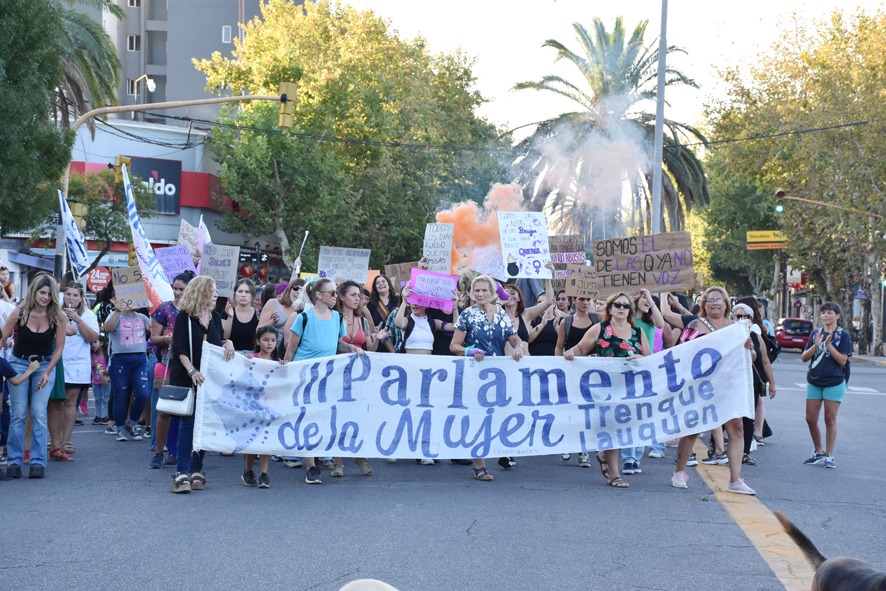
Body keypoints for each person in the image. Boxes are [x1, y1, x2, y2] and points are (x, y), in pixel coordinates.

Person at [671, 286, 757, 495]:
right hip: (702, 387)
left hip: (729, 386)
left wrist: (749, 348)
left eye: (719, 300)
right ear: (704, 304)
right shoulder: (694, 325)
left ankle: (735, 479)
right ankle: (679, 472)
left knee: (736, 428)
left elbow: (752, 358)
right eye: (710, 300)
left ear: (726, 304)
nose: (715, 303)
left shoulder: (737, 328)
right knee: (693, 429)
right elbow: (683, 356)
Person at [564, 292, 650, 489]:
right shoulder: (599, 329)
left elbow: (649, 358)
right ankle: (614, 474)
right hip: (605, 390)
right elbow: (580, 349)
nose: (621, 308)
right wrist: (570, 353)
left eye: (625, 305)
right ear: (610, 308)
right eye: (617, 305)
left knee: (622, 429)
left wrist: (639, 358)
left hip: (630, 389)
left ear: (630, 310)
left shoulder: (638, 332)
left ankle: (604, 454)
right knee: (614, 430)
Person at [284, 278, 364, 485]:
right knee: (307, 417)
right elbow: (290, 350)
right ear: (318, 295)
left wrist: (353, 348)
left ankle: (318, 456)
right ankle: (311, 465)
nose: (335, 297)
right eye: (332, 293)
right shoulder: (303, 318)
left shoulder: (337, 318)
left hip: (327, 376)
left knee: (323, 417)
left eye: (336, 293)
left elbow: (338, 343)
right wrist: (286, 376)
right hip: (304, 375)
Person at [449, 274, 525, 481]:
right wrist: (469, 351)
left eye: (484, 290)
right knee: (477, 418)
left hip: (498, 374)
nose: (480, 294)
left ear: (492, 294)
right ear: (472, 294)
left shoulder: (501, 313)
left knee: (497, 415)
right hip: (475, 373)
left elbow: (513, 336)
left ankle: (500, 451)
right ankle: (479, 464)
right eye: (477, 290)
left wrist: (518, 346)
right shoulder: (467, 314)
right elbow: (454, 345)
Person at [168, 276, 235, 494]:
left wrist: (229, 343)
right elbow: (179, 349)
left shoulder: (215, 317)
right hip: (187, 377)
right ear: (201, 292)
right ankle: (181, 472)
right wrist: (192, 371)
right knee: (188, 424)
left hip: (208, 380)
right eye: (212, 290)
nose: (216, 294)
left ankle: (197, 469)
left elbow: (219, 341)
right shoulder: (184, 317)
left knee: (204, 424)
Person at [0, 274, 67, 479]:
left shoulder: (58, 316)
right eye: (42, 292)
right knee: (19, 413)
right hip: (19, 362)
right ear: (34, 292)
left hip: (44, 364)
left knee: (38, 413)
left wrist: (47, 372)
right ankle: (14, 460)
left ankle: (38, 461)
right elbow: (2, 338)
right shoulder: (19, 312)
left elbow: (59, 349)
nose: (45, 297)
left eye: (49, 293)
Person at [48, 282, 99, 461]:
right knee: (55, 402)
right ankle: (53, 440)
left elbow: (93, 338)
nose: (71, 298)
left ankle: (66, 440)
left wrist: (78, 320)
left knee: (70, 401)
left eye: (75, 295)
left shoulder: (89, 315)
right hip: (57, 361)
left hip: (77, 364)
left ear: (81, 298)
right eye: (68, 294)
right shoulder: (54, 311)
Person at [148, 271, 193, 469]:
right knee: (165, 410)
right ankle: (159, 452)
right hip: (165, 365)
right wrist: (166, 339)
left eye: (181, 289)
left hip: (188, 367)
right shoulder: (164, 309)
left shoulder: (196, 311)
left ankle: (176, 451)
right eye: (175, 288)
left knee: (183, 410)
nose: (177, 292)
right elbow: (153, 338)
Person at [622, 288, 668, 473]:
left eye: (648, 299)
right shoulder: (629, 320)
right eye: (643, 298)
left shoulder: (650, 322)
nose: (647, 301)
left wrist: (650, 298)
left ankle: (636, 457)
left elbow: (660, 322)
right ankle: (627, 458)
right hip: (627, 367)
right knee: (627, 415)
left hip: (646, 369)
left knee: (642, 416)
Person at [800, 302, 850, 469]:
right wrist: (816, 344)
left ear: (837, 316)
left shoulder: (843, 336)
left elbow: (843, 360)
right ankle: (818, 450)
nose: (826, 316)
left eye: (829, 313)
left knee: (830, 419)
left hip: (834, 382)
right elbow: (804, 358)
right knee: (810, 419)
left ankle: (829, 455)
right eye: (823, 313)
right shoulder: (816, 333)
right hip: (814, 381)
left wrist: (829, 345)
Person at [555, 295, 599, 467]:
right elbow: (559, 346)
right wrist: (558, 367)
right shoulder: (566, 323)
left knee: (587, 412)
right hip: (571, 372)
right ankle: (567, 444)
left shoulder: (597, 319)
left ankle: (584, 450)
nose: (585, 302)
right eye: (581, 299)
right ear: (574, 301)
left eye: (588, 299)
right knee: (570, 410)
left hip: (593, 374)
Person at [102, 297, 150, 443]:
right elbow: (107, 328)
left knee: (143, 393)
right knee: (120, 396)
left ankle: (132, 423)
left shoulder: (142, 317)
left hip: (140, 360)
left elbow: (153, 328)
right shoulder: (114, 315)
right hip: (119, 360)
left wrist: (152, 308)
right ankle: (120, 428)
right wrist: (117, 310)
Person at [241, 326, 279, 489]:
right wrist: (247, 361)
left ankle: (264, 474)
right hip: (253, 406)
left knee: (266, 440)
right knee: (252, 441)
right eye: (265, 340)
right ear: (258, 341)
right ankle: (248, 471)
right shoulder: (252, 358)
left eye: (273, 340)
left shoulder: (278, 363)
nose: (269, 343)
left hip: (269, 406)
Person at [90, 336, 110, 425]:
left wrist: (107, 372)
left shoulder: (106, 356)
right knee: (97, 399)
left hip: (106, 381)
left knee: (106, 399)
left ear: (101, 343)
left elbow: (110, 367)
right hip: (96, 381)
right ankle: (98, 415)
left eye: (94, 342)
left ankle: (106, 415)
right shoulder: (91, 356)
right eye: (91, 344)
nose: (92, 345)